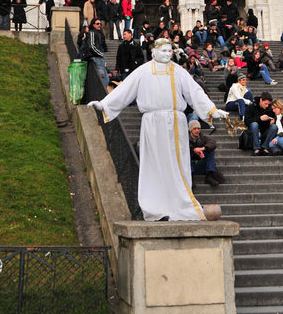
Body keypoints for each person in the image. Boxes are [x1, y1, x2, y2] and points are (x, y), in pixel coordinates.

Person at [88, 38, 228, 221]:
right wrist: (104, 104)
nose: (167, 54)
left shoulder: (179, 72)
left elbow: (195, 92)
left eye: (169, 51)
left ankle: (181, 205)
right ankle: (155, 209)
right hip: (152, 123)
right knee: (154, 164)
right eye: (163, 51)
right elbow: (125, 89)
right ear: (153, 52)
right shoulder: (143, 71)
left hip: (175, 122)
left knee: (177, 164)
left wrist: (213, 110)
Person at [188, 120, 225, 187]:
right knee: (186, 153)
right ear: (191, 130)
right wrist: (194, 150)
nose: (197, 130)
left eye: (198, 128)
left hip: (200, 164)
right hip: (189, 166)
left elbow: (213, 143)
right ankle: (190, 178)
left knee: (210, 150)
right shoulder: (185, 138)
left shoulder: (202, 137)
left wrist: (203, 149)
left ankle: (209, 175)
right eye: (194, 128)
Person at [87, 18, 108, 86]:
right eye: (97, 24)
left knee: (106, 79)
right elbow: (91, 46)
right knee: (102, 78)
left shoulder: (99, 33)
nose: (99, 25)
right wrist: (100, 53)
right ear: (93, 25)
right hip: (97, 57)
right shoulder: (92, 32)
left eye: (100, 24)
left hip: (100, 57)